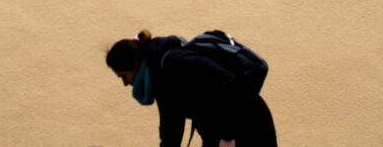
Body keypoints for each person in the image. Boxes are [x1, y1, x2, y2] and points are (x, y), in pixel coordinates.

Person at [106, 30, 277, 147]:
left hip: (246, 124)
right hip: (222, 130)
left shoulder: (172, 62)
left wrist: (227, 136)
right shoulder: (158, 75)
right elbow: (171, 127)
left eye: (123, 76)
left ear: (135, 63)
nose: (125, 83)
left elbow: (228, 85)